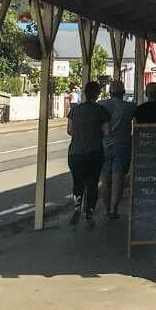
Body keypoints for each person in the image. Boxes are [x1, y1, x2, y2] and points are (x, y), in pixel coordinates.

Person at [66, 80, 110, 227]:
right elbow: (107, 131)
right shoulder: (101, 111)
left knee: (78, 181)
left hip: (75, 153)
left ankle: (77, 206)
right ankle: (89, 213)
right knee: (92, 183)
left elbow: (70, 130)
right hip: (94, 152)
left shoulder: (75, 110)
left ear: (84, 93)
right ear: (97, 94)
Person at [99, 79, 134, 220]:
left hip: (104, 144)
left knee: (105, 178)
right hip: (122, 144)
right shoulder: (130, 107)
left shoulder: (101, 105)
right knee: (118, 177)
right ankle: (114, 209)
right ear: (124, 92)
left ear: (109, 92)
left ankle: (106, 208)